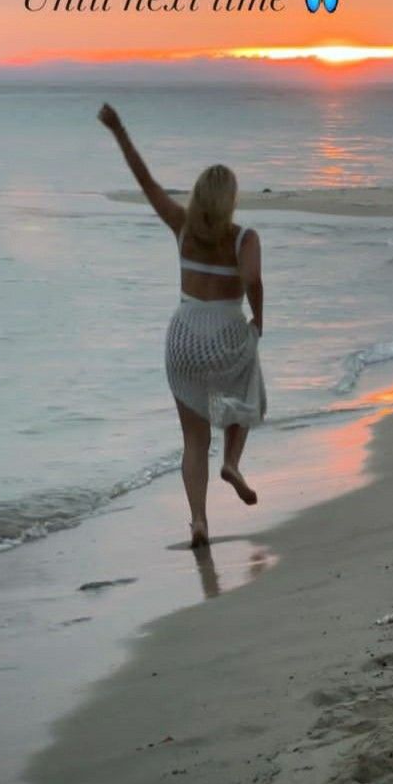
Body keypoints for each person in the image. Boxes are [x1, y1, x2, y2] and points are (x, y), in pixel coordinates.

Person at [97, 103, 266, 548]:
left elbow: (146, 181)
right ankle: (232, 461)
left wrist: (119, 129)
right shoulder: (244, 238)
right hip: (226, 333)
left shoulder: (181, 226)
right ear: (229, 200)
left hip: (184, 338)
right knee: (246, 388)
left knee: (193, 442)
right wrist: (258, 319)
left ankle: (198, 521)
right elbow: (251, 280)